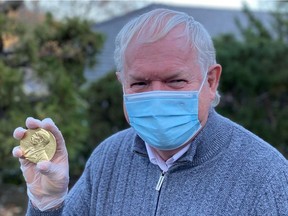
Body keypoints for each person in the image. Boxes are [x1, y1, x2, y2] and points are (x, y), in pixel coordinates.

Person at [12, 8, 288, 215]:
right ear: (122, 83)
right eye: (140, 83)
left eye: (176, 81)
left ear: (211, 80)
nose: (157, 97)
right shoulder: (108, 158)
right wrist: (46, 203)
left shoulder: (266, 177)